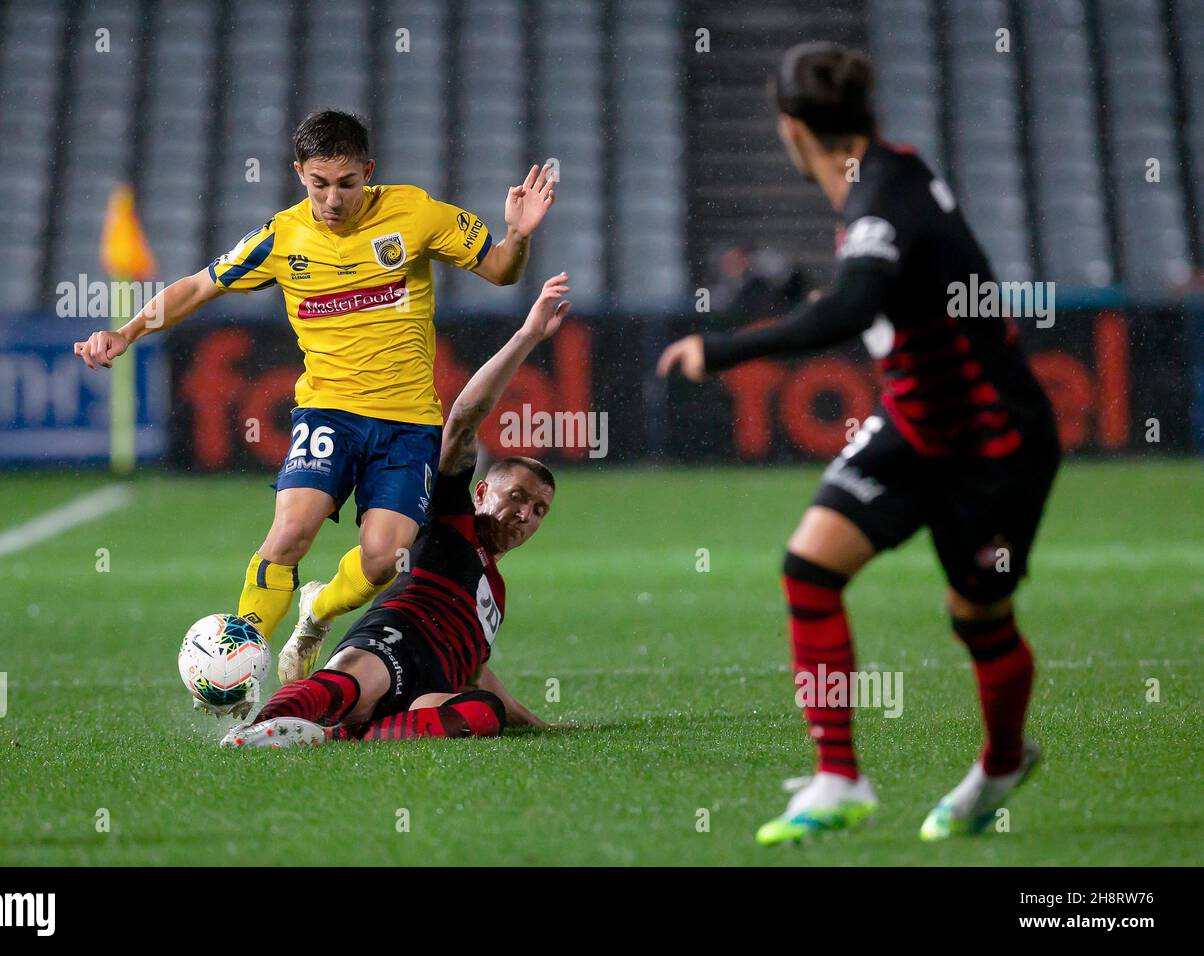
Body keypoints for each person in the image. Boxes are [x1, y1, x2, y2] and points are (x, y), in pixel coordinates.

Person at [657, 43, 1059, 844]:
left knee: (977, 614)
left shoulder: (881, 197)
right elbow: (878, 298)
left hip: (994, 445)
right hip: (915, 424)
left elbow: (851, 308)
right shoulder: (885, 175)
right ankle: (839, 776)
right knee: (809, 568)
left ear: (792, 128)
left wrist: (723, 348)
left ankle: (1003, 761)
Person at [74, 111, 556, 690]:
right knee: (291, 530)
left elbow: (502, 270)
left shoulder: (416, 213)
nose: (332, 199)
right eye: (319, 183)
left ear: (368, 172)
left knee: (385, 559)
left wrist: (520, 236)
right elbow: (200, 285)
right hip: (328, 411)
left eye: (346, 183)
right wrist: (126, 333)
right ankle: (240, 656)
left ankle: (318, 610)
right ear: (299, 173)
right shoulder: (283, 235)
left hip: (408, 424)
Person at [223, 273, 569, 748]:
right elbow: (465, 415)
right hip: (390, 645)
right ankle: (256, 729)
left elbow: (474, 668)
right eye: (516, 497)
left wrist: (533, 721)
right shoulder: (450, 516)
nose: (525, 514)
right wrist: (528, 336)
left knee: (484, 713)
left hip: (426, 694)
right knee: (355, 683)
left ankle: (340, 738)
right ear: (483, 491)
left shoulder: (495, 593)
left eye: (538, 510)